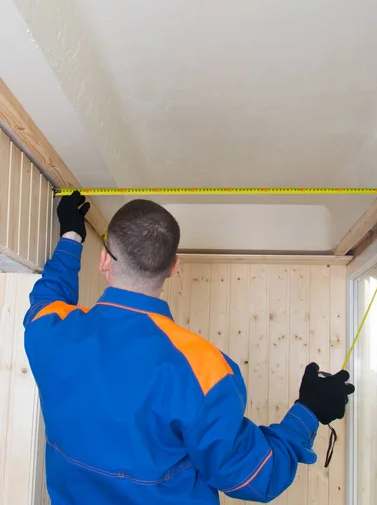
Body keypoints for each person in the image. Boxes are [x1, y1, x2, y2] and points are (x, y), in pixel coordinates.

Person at [24, 192, 355, 505]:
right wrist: (309, 411)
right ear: (174, 267)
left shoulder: (51, 332)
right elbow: (256, 475)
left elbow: (46, 298)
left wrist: (70, 235)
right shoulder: (204, 370)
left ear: (103, 261)